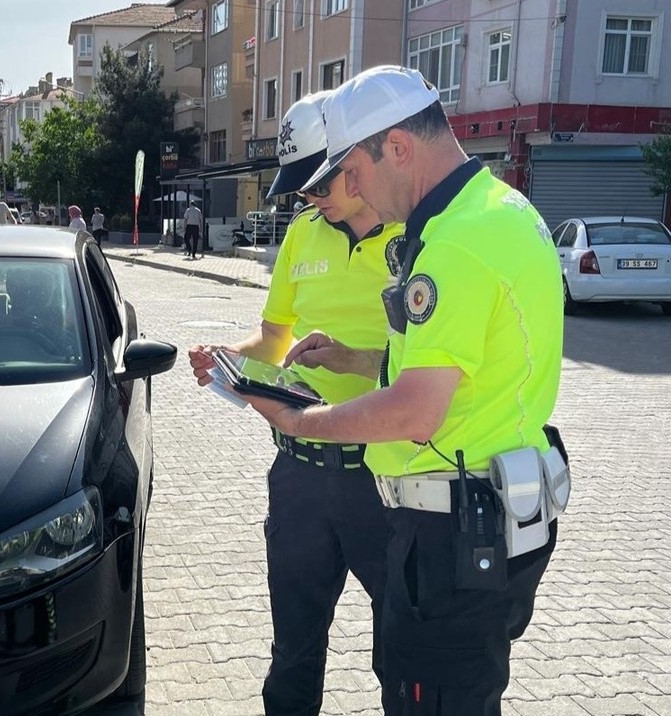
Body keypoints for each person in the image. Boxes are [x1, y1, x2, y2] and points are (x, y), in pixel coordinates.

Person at [245, 65, 565, 715]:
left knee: (431, 698)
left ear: (396, 146)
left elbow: (417, 411)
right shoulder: (502, 208)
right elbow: (460, 365)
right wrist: (363, 359)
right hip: (500, 508)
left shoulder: (452, 243)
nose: (351, 191)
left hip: (451, 527)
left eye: (352, 171)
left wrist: (297, 421)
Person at [188, 90, 405, 716]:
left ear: (356, 160)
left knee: (399, 649)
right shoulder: (302, 236)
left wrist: (352, 358)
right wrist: (229, 357)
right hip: (301, 477)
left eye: (318, 183)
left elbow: (433, 363)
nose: (308, 199)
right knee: (293, 653)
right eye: (300, 189)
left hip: (387, 475)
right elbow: (274, 338)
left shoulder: (416, 236)